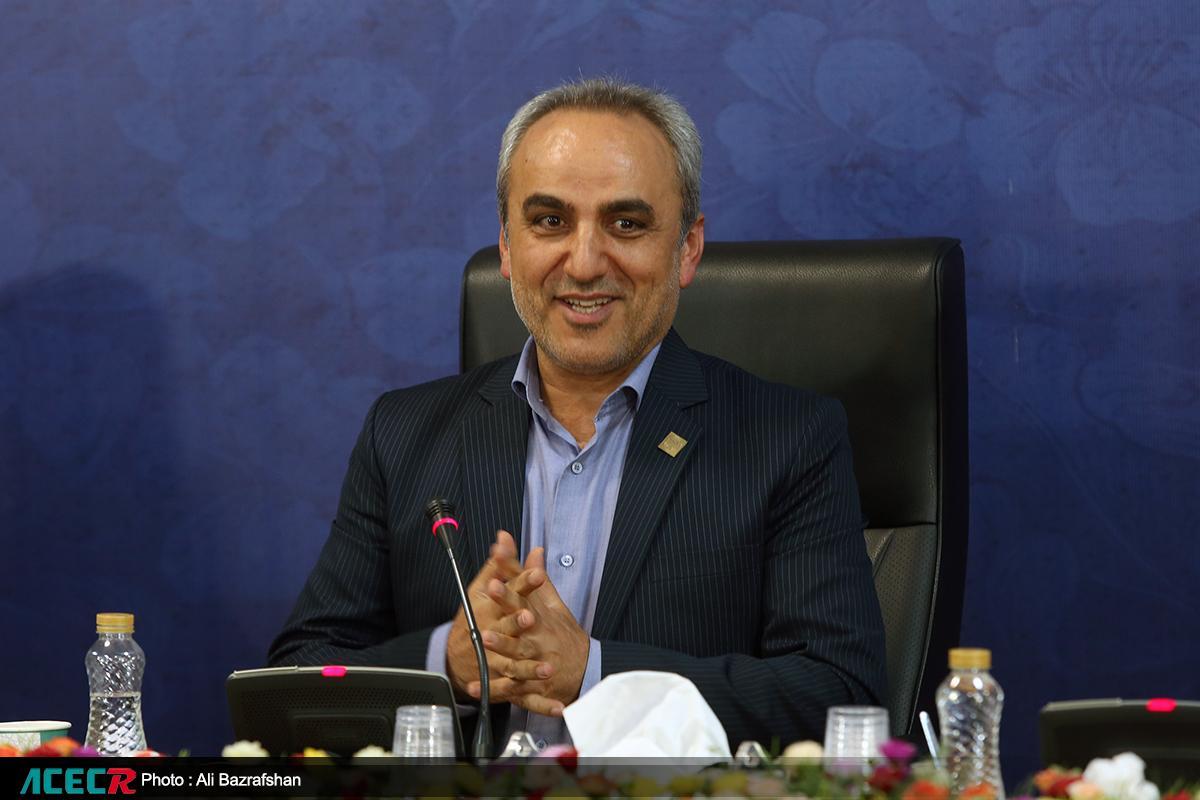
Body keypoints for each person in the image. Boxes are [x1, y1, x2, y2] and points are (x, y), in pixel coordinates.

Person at [269, 77, 887, 752]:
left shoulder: (789, 439)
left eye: (627, 224)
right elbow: (296, 683)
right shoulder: (404, 434)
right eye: (549, 222)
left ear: (686, 248)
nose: (585, 262)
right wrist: (447, 660)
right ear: (508, 247)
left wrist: (593, 674)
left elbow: (841, 697)